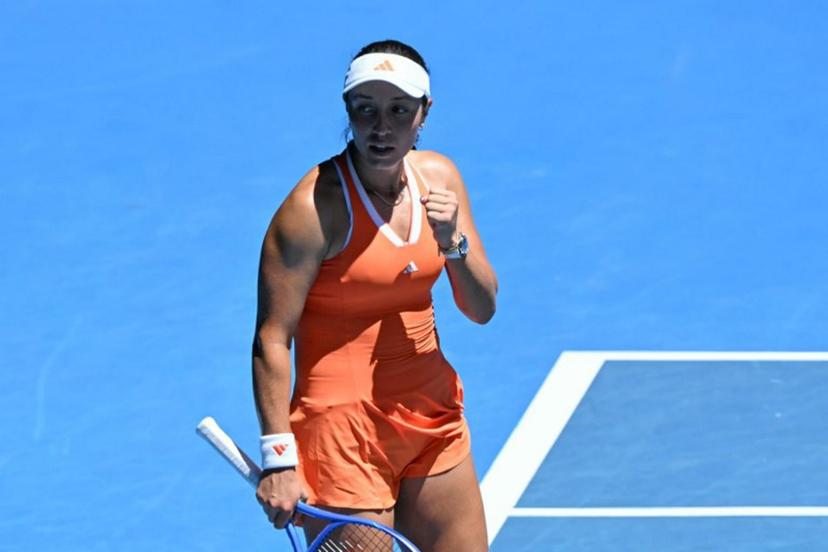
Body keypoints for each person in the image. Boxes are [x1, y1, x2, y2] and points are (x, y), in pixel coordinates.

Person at [251, 39, 498, 552]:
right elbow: (272, 339)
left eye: (398, 110)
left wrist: (453, 242)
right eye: (365, 111)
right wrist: (279, 457)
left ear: (424, 114)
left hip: (432, 414)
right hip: (342, 432)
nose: (381, 128)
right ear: (349, 112)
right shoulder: (313, 210)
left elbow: (482, 308)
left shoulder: (440, 180)